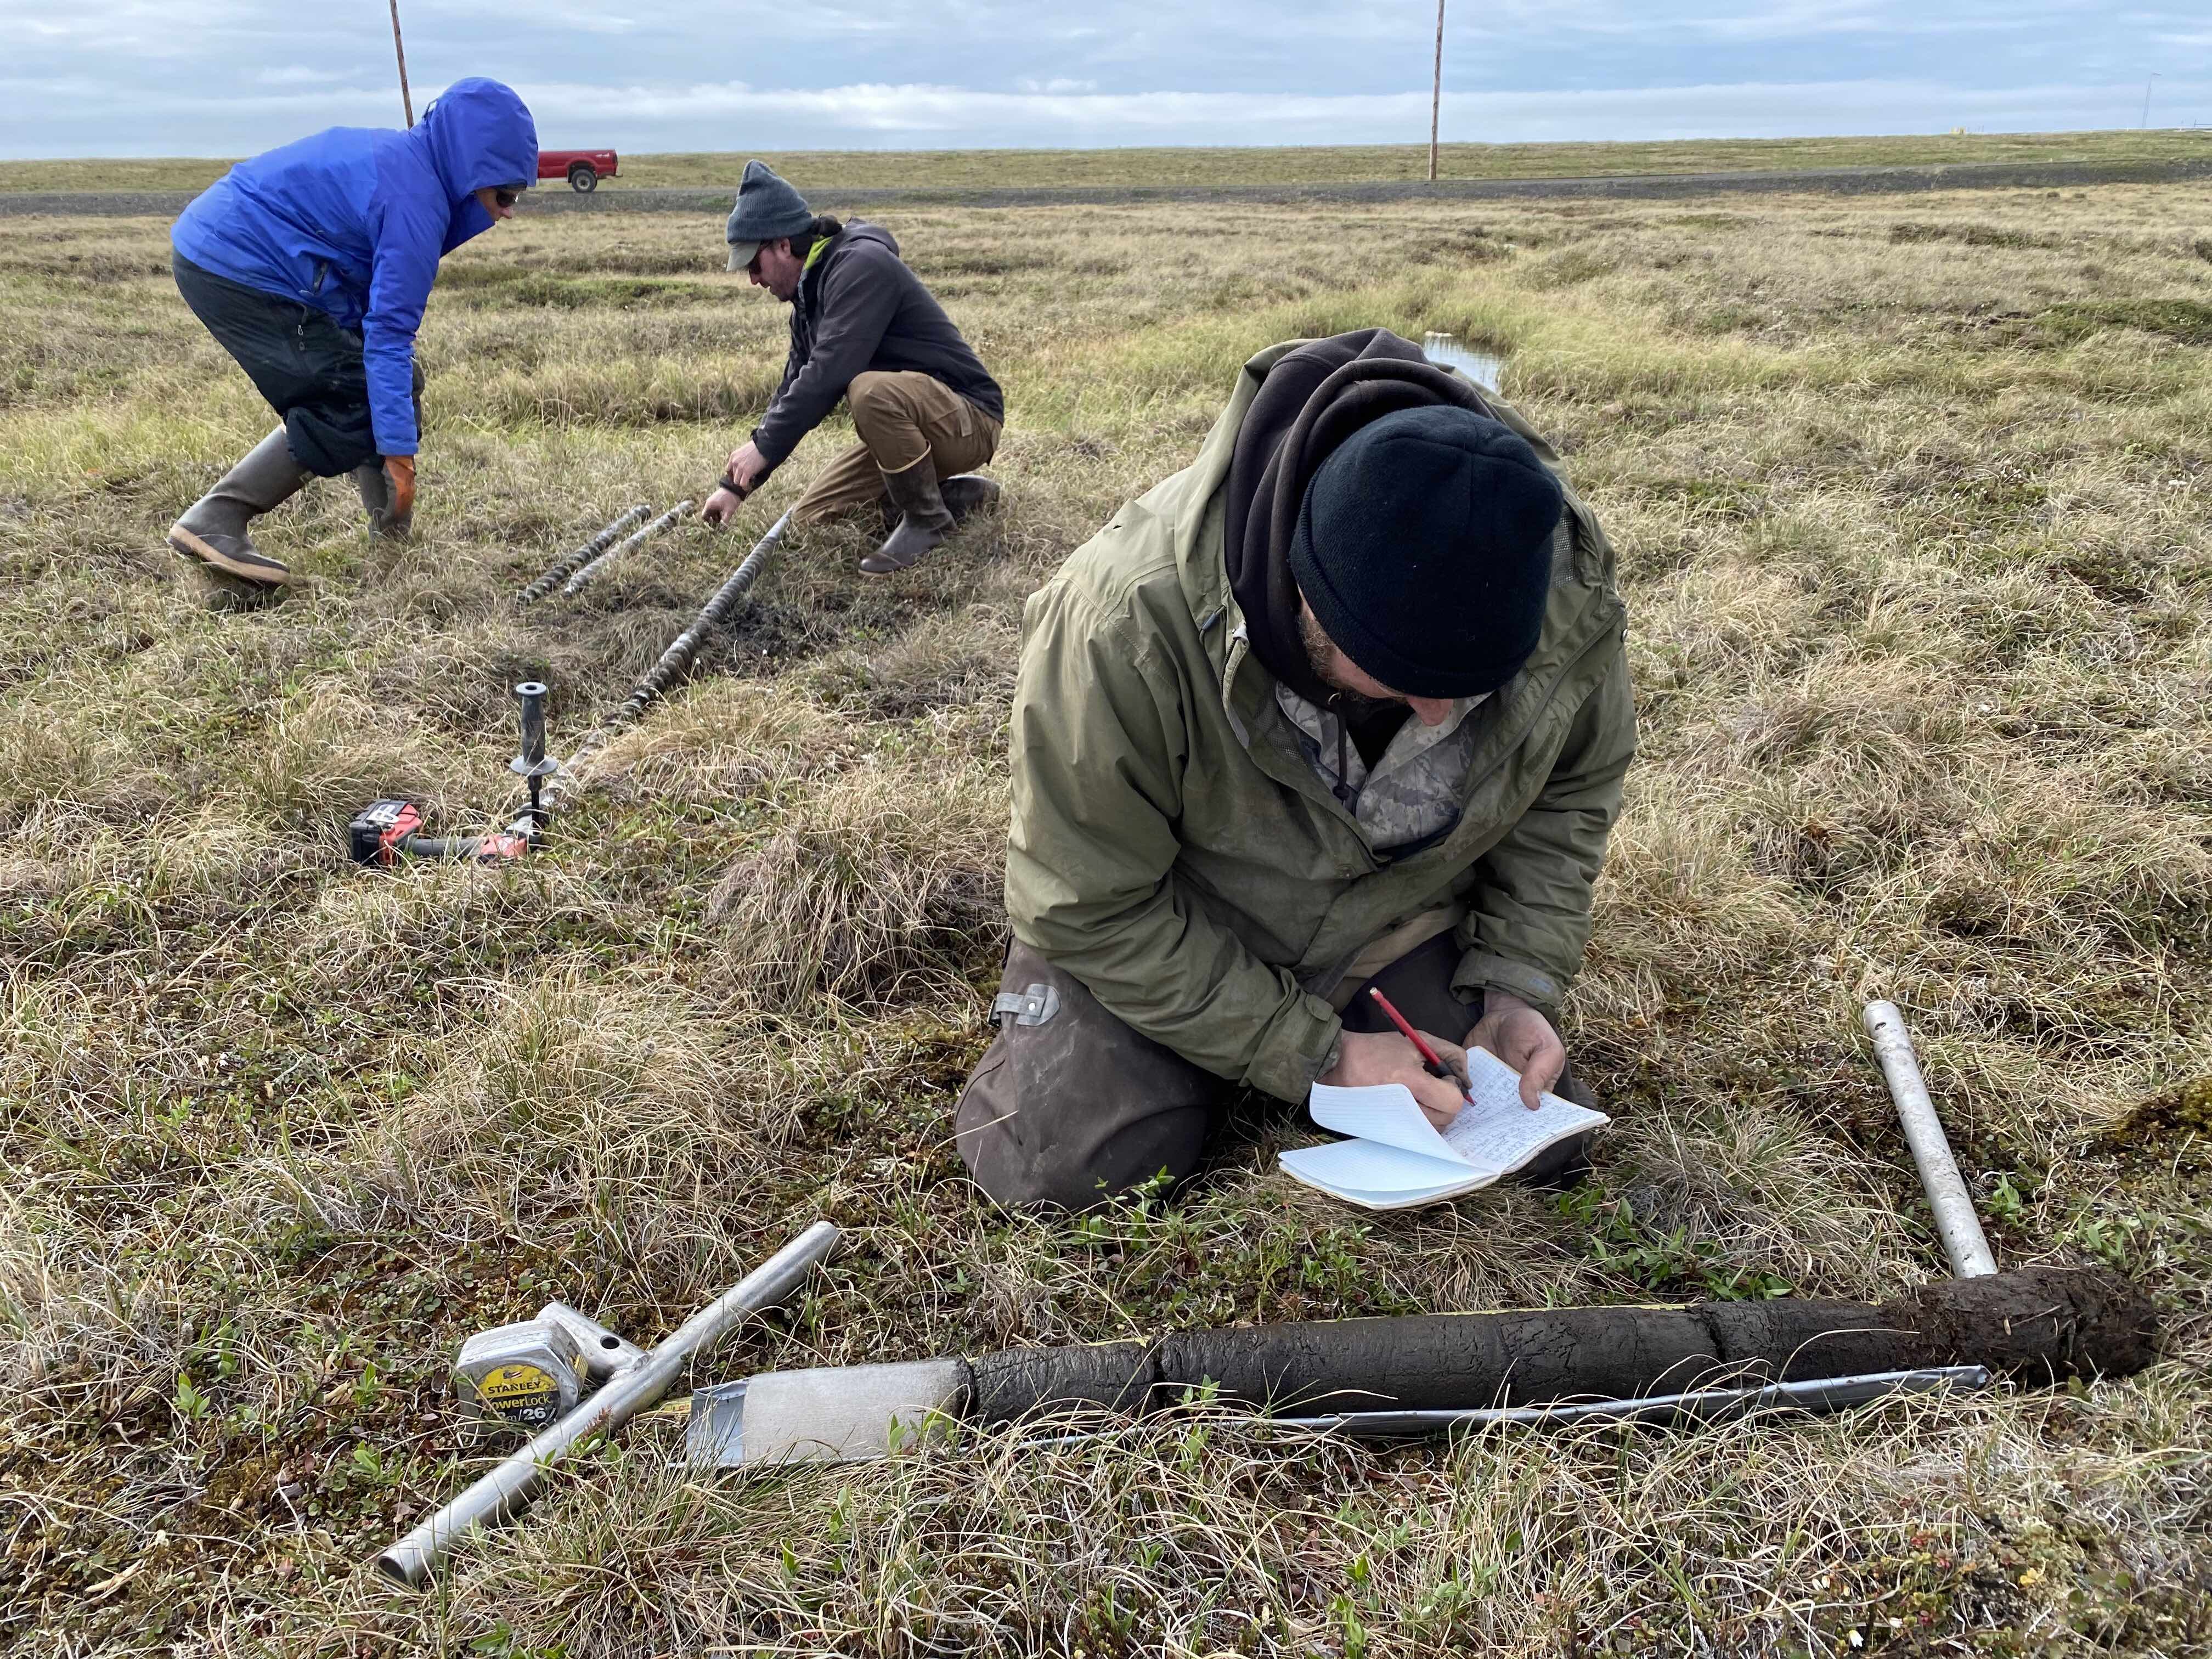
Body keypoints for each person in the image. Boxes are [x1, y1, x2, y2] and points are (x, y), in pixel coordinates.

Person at [955, 328, 1635, 1211]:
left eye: (1470, 691)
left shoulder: (1554, 580)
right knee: (1068, 1174)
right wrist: (1321, 1053)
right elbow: (1089, 901)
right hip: (1169, 915)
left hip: (1387, 918)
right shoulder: (1122, 621)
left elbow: (1567, 798)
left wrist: (1514, 982)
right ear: (1306, 593)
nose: (1438, 716)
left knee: (1529, 1147)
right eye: (1407, 682)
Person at [166, 78, 538, 603]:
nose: (509, 211)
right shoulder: (416, 201)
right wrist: (400, 458)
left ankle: (390, 546)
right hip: (236, 266)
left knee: (385, 384)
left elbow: (372, 320)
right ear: (472, 169)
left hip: (238, 252)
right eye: (505, 194)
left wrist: (395, 426)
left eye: (518, 196)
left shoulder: (411, 171)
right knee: (347, 398)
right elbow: (387, 337)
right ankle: (216, 519)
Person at [699, 161, 1006, 575]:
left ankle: (927, 521)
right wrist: (736, 487)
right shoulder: (809, 301)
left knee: (868, 390)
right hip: (916, 429)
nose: (753, 280)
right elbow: (795, 386)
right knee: (812, 517)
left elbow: (830, 373)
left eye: (754, 265)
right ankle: (949, 498)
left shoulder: (861, 267)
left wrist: (765, 448)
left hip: (969, 420)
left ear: (783, 246)